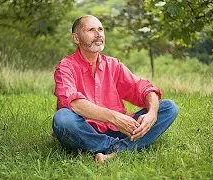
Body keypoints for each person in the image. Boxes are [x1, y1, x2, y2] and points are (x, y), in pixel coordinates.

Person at [52, 15, 179, 163]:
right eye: (91, 30)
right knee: (62, 119)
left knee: (168, 107)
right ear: (76, 38)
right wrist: (115, 117)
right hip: (86, 131)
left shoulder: (113, 65)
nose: (98, 34)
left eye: (100, 29)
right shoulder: (66, 67)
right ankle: (121, 149)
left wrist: (152, 114)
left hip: (119, 130)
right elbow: (73, 103)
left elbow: (145, 89)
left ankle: (109, 150)